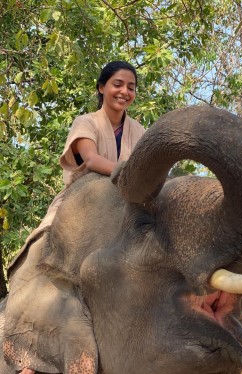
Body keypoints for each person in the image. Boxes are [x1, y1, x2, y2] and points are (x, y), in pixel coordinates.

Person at [6, 61, 145, 374]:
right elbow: (92, 159)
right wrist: (131, 172)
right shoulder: (86, 122)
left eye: (131, 87)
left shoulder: (140, 132)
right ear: (102, 87)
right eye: (118, 84)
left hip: (124, 218)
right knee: (41, 256)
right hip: (79, 212)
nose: (125, 92)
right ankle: (23, 341)